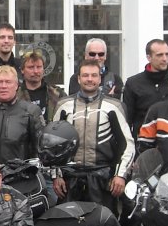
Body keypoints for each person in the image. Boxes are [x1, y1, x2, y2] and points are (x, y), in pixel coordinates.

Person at [52, 60, 135, 213]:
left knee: (102, 224)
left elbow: (128, 144)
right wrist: (56, 176)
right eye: (85, 75)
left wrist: (121, 175)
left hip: (103, 180)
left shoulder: (114, 106)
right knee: (68, 222)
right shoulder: (63, 105)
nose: (89, 79)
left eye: (94, 75)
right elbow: (53, 145)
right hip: (70, 180)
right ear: (78, 79)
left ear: (100, 78)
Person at [0, 65, 43, 165]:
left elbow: (39, 148)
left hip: (20, 171)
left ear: (16, 85)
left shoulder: (31, 111)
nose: (3, 86)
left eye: (8, 82)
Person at [122, 38, 168, 139]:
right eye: (159, 55)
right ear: (149, 57)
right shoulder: (133, 83)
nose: (165, 59)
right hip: (143, 140)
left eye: (167, 54)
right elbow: (127, 120)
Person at [19, 49, 62, 122]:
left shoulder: (57, 94)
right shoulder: (15, 96)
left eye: (39, 67)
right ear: (22, 70)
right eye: (31, 67)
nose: (36, 71)